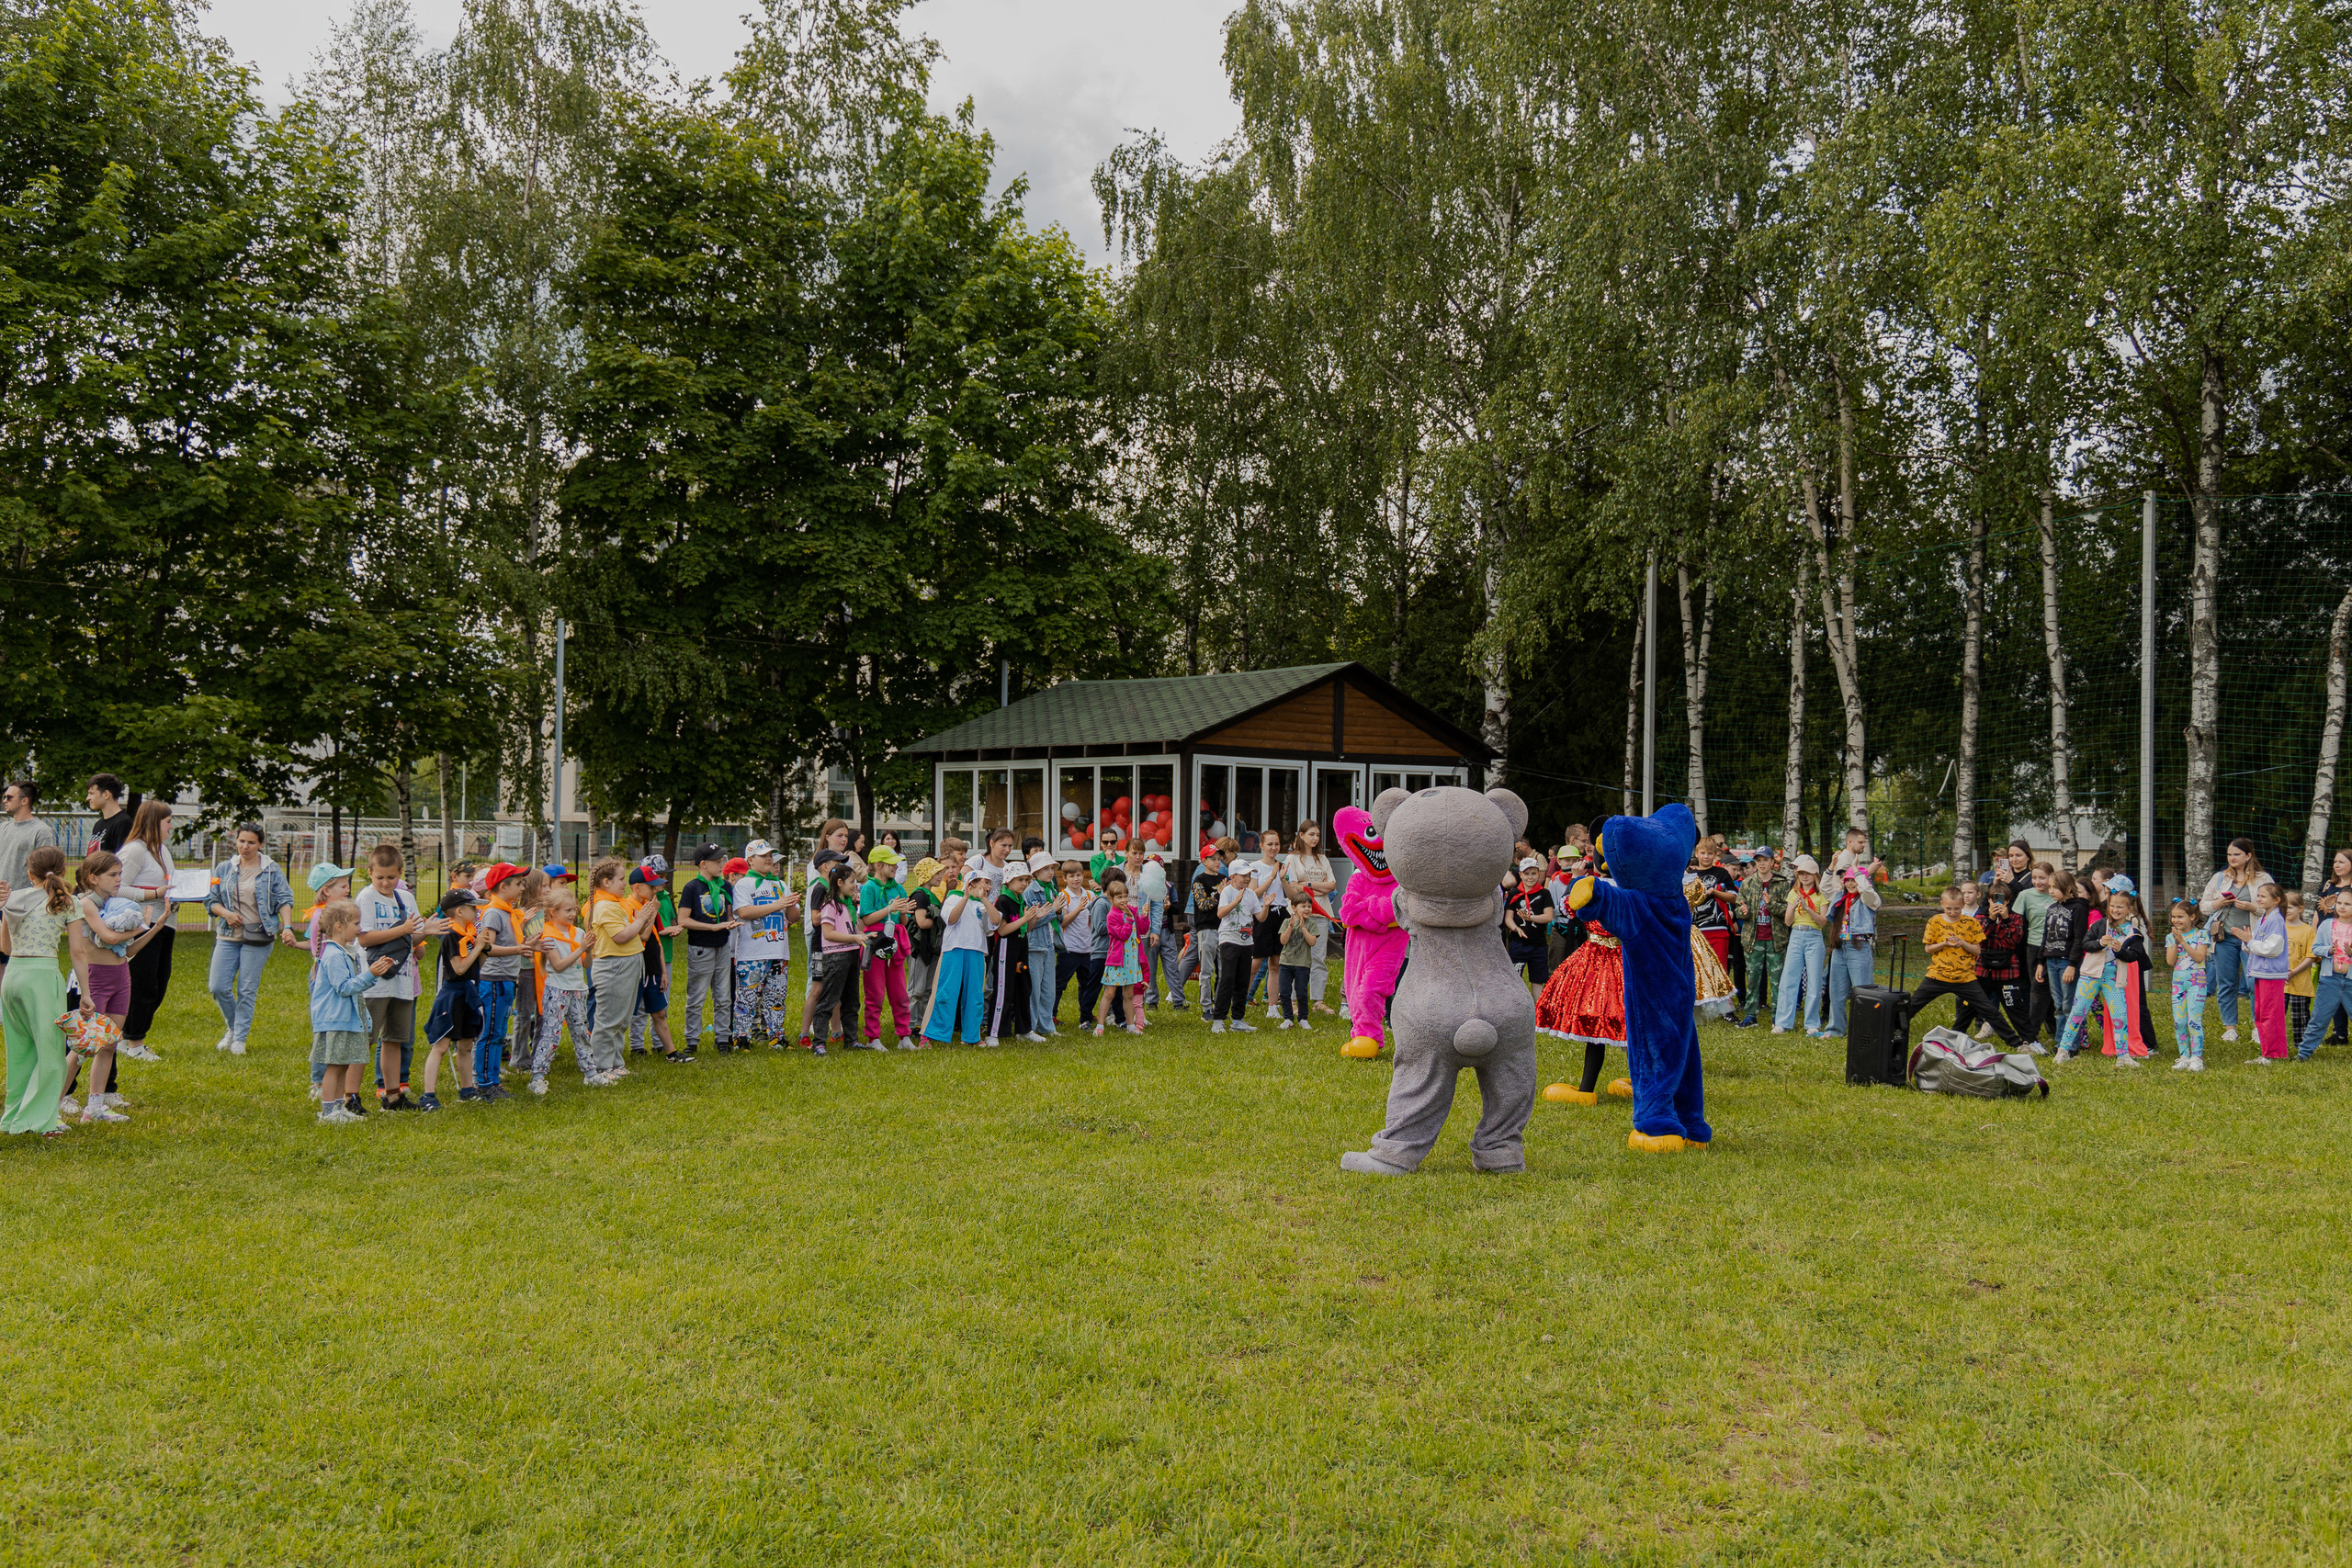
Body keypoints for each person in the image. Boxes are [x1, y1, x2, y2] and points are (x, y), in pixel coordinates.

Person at [62, 849, 153, 1122]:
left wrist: (155, 926)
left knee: (109, 1044)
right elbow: (109, 937)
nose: (118, 880)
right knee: (82, 1047)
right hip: (95, 979)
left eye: (120, 874)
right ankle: (52, 1106)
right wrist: (141, 925)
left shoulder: (115, 903)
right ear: (93, 878)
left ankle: (95, 1106)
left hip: (120, 977)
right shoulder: (86, 903)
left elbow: (124, 950)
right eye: (113, 875)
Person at [1, 846, 79, 1136]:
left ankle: (13, 1120)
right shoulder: (67, 902)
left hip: (12, 977)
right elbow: (78, 953)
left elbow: (5, 948)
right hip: (43, 976)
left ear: (28, 872)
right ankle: (43, 1122)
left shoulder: (12, 900)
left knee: (20, 1053)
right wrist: (88, 992)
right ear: (62, 870)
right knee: (51, 1052)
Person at [204, 823, 299, 1055]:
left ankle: (240, 1039)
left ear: (261, 844)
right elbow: (210, 899)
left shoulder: (271, 869)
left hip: (259, 935)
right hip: (227, 933)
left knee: (247, 989)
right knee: (217, 986)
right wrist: (225, 913)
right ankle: (233, 1028)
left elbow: (285, 899)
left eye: (251, 842)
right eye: (241, 841)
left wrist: (287, 927)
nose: (245, 846)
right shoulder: (224, 868)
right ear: (235, 841)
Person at [356, 842, 435, 1109]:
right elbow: (365, 938)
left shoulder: (407, 899)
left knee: (394, 1040)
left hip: (402, 980)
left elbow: (411, 940)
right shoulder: (366, 898)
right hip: (374, 982)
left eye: (392, 877)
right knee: (364, 1040)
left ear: (400, 872)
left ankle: (392, 1096)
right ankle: (350, 1096)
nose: (386, 882)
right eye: (380, 877)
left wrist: (428, 931)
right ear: (369, 873)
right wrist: (403, 929)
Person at [1913, 884, 2029, 1051]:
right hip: (1937, 975)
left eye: (1957, 909)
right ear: (1942, 905)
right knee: (1912, 1005)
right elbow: (1928, 948)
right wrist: (1945, 943)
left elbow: (1977, 950)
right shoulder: (1935, 921)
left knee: (1989, 1010)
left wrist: (1962, 943)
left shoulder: (1971, 922)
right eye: (1949, 909)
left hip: (1965, 978)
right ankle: (1891, 1031)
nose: (1953, 912)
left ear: (1962, 906)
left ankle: (2016, 1043)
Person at [311, 901, 394, 1123]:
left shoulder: (343, 952)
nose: (360, 928)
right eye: (356, 923)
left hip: (345, 1019)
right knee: (335, 1066)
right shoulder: (334, 955)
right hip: (335, 1020)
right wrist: (371, 975)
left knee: (343, 1063)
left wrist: (372, 973)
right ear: (339, 926)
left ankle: (339, 1109)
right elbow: (344, 987)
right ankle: (329, 1113)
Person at [114, 800, 176, 1064]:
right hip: (142, 926)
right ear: (154, 823)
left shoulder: (162, 851)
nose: (171, 826)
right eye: (168, 821)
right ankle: (134, 1042)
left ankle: (128, 1039)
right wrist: (153, 894)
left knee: (158, 985)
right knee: (144, 985)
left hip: (165, 925)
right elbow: (116, 886)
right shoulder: (135, 851)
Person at [585, 858, 658, 1081]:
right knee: (608, 1020)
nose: (624, 884)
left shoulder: (615, 903)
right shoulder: (605, 906)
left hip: (627, 964)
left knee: (622, 1019)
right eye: (621, 879)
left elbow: (637, 934)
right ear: (606, 882)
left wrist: (645, 918)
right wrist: (642, 918)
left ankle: (615, 1062)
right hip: (613, 966)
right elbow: (621, 937)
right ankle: (601, 1067)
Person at [2198, 838, 2274, 1044]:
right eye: (2230, 854)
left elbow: (2273, 908)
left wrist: (2252, 908)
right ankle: (2230, 1028)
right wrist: (2219, 902)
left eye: (2237, 854)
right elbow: (2203, 907)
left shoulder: (2263, 878)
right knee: (2226, 983)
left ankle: (2258, 1028)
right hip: (2224, 938)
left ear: (2248, 856)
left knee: (2253, 983)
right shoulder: (2219, 878)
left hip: (2252, 939)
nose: (2232, 858)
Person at [417, 889, 488, 1109]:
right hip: (452, 995)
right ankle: (428, 1095)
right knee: (442, 1044)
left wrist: (483, 948)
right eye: (472, 907)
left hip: (470, 992)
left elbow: (477, 966)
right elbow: (458, 968)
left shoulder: (469, 933)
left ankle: (467, 1089)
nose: (477, 911)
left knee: (466, 1044)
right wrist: (477, 947)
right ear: (459, 911)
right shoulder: (452, 935)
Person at [529, 881, 595, 1092]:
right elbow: (558, 966)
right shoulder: (548, 936)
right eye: (568, 910)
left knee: (581, 1032)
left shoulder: (578, 933)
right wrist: (582, 949)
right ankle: (537, 1078)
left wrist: (589, 950)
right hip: (557, 991)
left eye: (575, 909)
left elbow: (587, 964)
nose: (573, 913)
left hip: (577, 989)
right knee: (551, 1034)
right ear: (553, 912)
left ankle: (591, 1073)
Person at [730, 841, 797, 1050]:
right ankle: (741, 1038)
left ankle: (777, 1037)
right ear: (750, 860)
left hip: (778, 951)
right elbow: (744, 912)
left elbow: (792, 917)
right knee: (747, 998)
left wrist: (793, 904)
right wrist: (777, 905)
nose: (769, 859)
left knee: (776, 997)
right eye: (763, 856)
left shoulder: (780, 884)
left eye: (771, 855)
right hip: (752, 953)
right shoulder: (744, 884)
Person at [472, 863, 530, 1094]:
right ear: (503, 887)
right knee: (489, 1034)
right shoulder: (495, 912)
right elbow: (487, 948)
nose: (523, 887)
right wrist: (518, 950)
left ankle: (493, 1081)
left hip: (506, 979)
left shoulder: (507, 911)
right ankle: (484, 1083)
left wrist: (525, 945)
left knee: (498, 1034)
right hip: (493, 980)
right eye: (519, 883)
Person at [922, 869, 996, 1047]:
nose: (986, 886)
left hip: (977, 951)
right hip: (954, 949)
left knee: (975, 995)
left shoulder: (983, 904)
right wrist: (965, 897)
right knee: (946, 992)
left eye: (988, 883)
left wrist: (984, 900)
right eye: (983, 882)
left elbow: (992, 926)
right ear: (971, 884)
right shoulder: (953, 898)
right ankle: (933, 1034)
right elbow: (952, 919)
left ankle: (971, 1036)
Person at [676, 844, 737, 1052]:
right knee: (697, 998)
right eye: (717, 862)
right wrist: (712, 927)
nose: (722, 865)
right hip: (701, 948)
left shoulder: (725, 887)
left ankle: (722, 1040)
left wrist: (731, 922)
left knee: (723, 997)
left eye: (722, 861)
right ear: (703, 864)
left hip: (723, 947)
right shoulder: (692, 888)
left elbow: (728, 915)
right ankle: (692, 1042)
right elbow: (683, 920)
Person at [625, 865, 687, 1063]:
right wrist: (652, 913)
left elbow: (656, 941)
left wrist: (663, 971)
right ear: (637, 887)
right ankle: (623, 1053)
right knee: (626, 1015)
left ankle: (671, 1053)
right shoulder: (628, 907)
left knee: (659, 1012)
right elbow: (641, 937)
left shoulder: (649, 905)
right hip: (635, 968)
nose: (655, 891)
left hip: (652, 967)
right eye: (651, 887)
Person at [856, 846, 917, 1050]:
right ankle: (873, 1039)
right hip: (875, 942)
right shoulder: (868, 888)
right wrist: (889, 909)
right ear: (878, 865)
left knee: (900, 992)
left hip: (895, 943)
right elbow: (866, 919)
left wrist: (903, 913)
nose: (896, 866)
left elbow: (904, 921)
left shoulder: (898, 888)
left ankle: (904, 1037)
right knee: (874, 993)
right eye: (892, 863)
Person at [805, 860, 865, 1053]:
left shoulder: (848, 905)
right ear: (839, 883)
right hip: (835, 957)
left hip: (851, 955)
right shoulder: (830, 905)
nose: (854, 885)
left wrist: (861, 936)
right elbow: (828, 933)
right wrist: (854, 937)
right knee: (828, 1000)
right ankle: (819, 1043)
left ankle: (851, 1040)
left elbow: (853, 928)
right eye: (851, 882)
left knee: (852, 1001)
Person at [1283, 820, 1340, 1015]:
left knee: (1319, 958)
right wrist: (1317, 885)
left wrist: (1307, 884)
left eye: (1317, 835)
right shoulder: (1292, 859)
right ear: (1301, 835)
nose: (1315, 838)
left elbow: (1331, 886)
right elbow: (1294, 888)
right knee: (1295, 956)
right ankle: (1292, 1001)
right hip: (1299, 915)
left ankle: (1318, 1001)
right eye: (1311, 835)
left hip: (1322, 914)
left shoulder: (1323, 859)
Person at [1821, 855, 1883, 1040]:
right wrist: (1831, 866)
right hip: (1840, 949)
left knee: (1863, 993)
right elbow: (1824, 888)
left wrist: (1856, 870)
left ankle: (1864, 1031)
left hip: (1859, 948)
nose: (1850, 883)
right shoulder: (1840, 897)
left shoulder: (1869, 900)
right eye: (1847, 880)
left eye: (1853, 880)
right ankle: (1835, 1030)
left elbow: (1865, 888)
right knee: (1836, 993)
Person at [1973, 886, 2037, 1047]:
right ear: (1988, 900)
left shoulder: (2015, 918)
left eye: (2001, 899)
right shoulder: (1980, 916)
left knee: (2015, 1007)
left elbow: (2013, 942)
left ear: (2008, 901)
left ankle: (2030, 1040)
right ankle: (1956, 1034)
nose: (1997, 903)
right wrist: (1990, 919)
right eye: (1993, 899)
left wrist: (2006, 920)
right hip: (1983, 969)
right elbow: (1978, 939)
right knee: (1971, 1004)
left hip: (2007, 971)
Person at [989, 860, 1045, 1045]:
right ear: (1009, 880)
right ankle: (994, 1032)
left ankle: (1024, 1030)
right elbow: (1003, 931)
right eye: (1020, 879)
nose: (1024, 884)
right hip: (1006, 950)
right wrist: (1025, 919)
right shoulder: (1003, 900)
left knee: (1024, 988)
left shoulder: (1021, 899)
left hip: (1021, 947)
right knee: (1004, 991)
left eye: (1027, 880)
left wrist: (1034, 918)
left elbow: (1025, 929)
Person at [1776, 855, 1828, 1035]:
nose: (1805, 877)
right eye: (1801, 874)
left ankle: (1812, 1023)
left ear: (1815, 875)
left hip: (1814, 937)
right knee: (1788, 980)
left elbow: (1822, 922)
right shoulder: (1793, 893)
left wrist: (1807, 908)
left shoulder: (1821, 895)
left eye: (1808, 874)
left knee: (1814, 982)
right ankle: (1783, 1022)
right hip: (1797, 936)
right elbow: (1788, 922)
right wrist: (1792, 907)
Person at [1090, 869, 1146, 1038]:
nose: (1123, 900)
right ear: (1111, 899)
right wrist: (1129, 919)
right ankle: (1099, 1026)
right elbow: (1123, 934)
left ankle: (1130, 1025)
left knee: (1128, 994)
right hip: (1116, 961)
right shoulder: (1112, 916)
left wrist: (1144, 915)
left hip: (1130, 961)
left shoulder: (1131, 910)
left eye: (1125, 896)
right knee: (1109, 993)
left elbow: (1142, 929)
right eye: (1119, 897)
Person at [2295, 890, 2349, 1063]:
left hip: (2350, 982)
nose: (2342, 907)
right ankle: (2303, 1053)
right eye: (2340, 903)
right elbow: (2316, 948)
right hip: (2329, 980)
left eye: (2348, 904)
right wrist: (2328, 950)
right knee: (2318, 1018)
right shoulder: (2327, 925)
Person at [1734, 848, 1785, 1028]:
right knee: (1753, 977)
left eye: (1766, 860)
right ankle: (1750, 1015)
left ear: (1772, 862)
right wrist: (1743, 912)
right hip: (1753, 939)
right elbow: (1738, 909)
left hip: (1775, 939)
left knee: (1777, 979)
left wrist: (1773, 905)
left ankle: (1778, 1016)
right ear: (1755, 863)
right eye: (1759, 860)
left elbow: (1789, 912)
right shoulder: (1747, 884)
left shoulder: (1782, 883)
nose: (1762, 864)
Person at [1210, 861, 1261, 1034]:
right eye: (1244, 875)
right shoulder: (1228, 892)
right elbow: (1220, 913)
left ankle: (1238, 1019)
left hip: (1247, 942)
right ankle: (1218, 1019)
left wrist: (1266, 905)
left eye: (1249, 875)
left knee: (1242, 980)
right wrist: (1236, 901)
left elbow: (1259, 917)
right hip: (1229, 939)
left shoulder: (1252, 894)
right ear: (1233, 877)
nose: (1248, 878)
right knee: (1227, 979)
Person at [2244, 879, 2291, 1063]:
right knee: (2261, 1013)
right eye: (2258, 896)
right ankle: (2267, 1051)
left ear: (2277, 900)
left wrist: (2250, 941)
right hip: (2261, 973)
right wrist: (2246, 941)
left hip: (2271, 975)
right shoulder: (2265, 918)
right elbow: (2256, 945)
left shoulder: (2276, 920)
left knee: (2271, 1015)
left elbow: (2271, 949)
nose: (2259, 899)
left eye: (2263, 896)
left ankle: (2274, 1053)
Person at [1020, 852, 1064, 1036]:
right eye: (1046, 868)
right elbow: (1030, 922)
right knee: (1035, 989)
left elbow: (1056, 918)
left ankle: (1046, 1026)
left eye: (1052, 868)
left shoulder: (1052, 889)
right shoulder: (1030, 891)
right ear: (1035, 872)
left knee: (1048, 989)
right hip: (1035, 945)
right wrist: (1053, 911)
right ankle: (1031, 1026)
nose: (1050, 872)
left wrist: (1058, 912)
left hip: (1049, 944)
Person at [2167, 898, 2212, 1069]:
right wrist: (2174, 941)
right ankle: (2184, 1056)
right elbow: (2170, 961)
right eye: (2173, 917)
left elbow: (2199, 957)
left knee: (2194, 1020)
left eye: (2180, 916)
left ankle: (2196, 1058)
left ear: (2192, 916)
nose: (2176, 920)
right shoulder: (2171, 936)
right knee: (2179, 1021)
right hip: (2178, 982)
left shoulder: (2201, 935)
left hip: (2197, 981)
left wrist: (2183, 941)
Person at [1503, 858, 1554, 987]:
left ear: (1538, 874)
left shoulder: (1544, 894)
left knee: (1538, 981)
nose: (1530, 877)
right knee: (1515, 980)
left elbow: (1548, 917)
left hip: (1538, 944)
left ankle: (1537, 1006)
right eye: (1526, 874)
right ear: (1520, 875)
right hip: (1518, 944)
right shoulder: (1514, 893)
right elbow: (1508, 917)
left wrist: (1531, 918)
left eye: (1533, 873)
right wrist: (1515, 928)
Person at [1276, 897, 1322, 1029]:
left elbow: (1312, 942)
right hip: (1286, 963)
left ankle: (1303, 1018)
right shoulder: (1286, 922)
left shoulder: (1311, 924)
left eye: (1309, 906)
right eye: (1303, 906)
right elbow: (1283, 941)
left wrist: (1303, 928)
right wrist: (1291, 926)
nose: (1307, 909)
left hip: (1302, 964)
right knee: (1284, 992)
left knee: (1301, 992)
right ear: (1294, 908)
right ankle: (1288, 1018)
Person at [2285, 889, 2318, 1045]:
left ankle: (2302, 1047)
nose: (2286, 911)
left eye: (2290, 907)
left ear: (2300, 909)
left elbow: (2311, 956)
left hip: (2300, 983)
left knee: (2300, 1017)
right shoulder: (2278, 927)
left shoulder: (2308, 931)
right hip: (2279, 981)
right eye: (2283, 907)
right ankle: (2275, 1045)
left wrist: (2292, 972)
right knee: (2275, 1015)